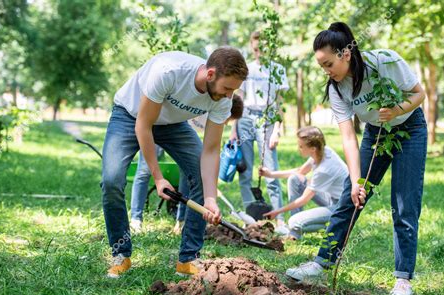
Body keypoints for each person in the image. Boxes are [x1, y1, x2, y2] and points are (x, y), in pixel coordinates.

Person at [285, 22, 427, 295]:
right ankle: (321, 262)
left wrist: (397, 109)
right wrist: (355, 181)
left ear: (345, 54)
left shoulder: (385, 61)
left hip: (410, 129)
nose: (326, 71)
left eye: (328, 64)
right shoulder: (337, 90)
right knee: (350, 198)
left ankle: (403, 280)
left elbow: (418, 94)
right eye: (321, 66)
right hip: (375, 134)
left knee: (404, 204)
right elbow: (348, 137)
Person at [101, 48, 248, 278]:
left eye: (233, 90)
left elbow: (210, 150)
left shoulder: (223, 99)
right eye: (227, 88)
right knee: (111, 181)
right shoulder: (169, 72)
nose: (230, 95)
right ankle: (121, 254)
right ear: (210, 75)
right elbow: (143, 126)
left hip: (173, 124)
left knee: (200, 175)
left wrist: (210, 198)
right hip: (130, 116)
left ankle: (189, 258)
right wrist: (158, 178)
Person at [129, 94, 245, 234]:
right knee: (144, 170)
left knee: (186, 173)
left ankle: (181, 220)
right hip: (156, 126)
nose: (226, 123)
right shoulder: (204, 104)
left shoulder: (215, 116)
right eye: (229, 119)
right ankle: (136, 219)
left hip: (177, 134)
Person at [229, 31, 289, 228]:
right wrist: (233, 129)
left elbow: (280, 103)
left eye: (263, 49)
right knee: (244, 170)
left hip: (268, 119)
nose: (259, 53)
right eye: (255, 49)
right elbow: (237, 99)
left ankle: (278, 217)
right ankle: (251, 217)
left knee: (270, 170)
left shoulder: (278, 70)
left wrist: (277, 129)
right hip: (245, 118)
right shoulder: (246, 69)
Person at [259, 126, 348, 239]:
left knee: (293, 222)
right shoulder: (323, 151)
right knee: (294, 179)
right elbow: (300, 171)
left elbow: (303, 200)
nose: (298, 149)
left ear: (313, 148)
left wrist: (277, 212)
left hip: (342, 207)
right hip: (331, 198)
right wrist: (270, 174)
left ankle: (339, 226)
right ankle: (294, 233)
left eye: (301, 146)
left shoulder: (324, 169)